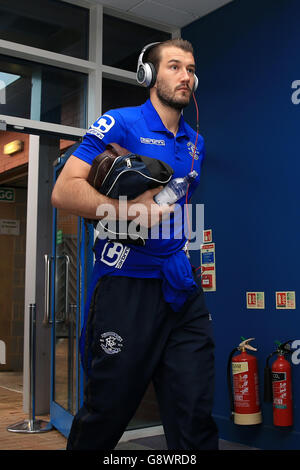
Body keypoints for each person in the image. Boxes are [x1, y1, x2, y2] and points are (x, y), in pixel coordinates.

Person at [51, 38, 218, 450]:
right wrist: (126, 210)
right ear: (149, 75)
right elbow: (63, 192)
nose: (185, 76)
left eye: (191, 69)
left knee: (194, 410)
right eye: (174, 67)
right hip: (125, 284)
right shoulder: (120, 123)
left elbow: (176, 209)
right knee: (108, 409)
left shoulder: (195, 143)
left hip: (179, 285)